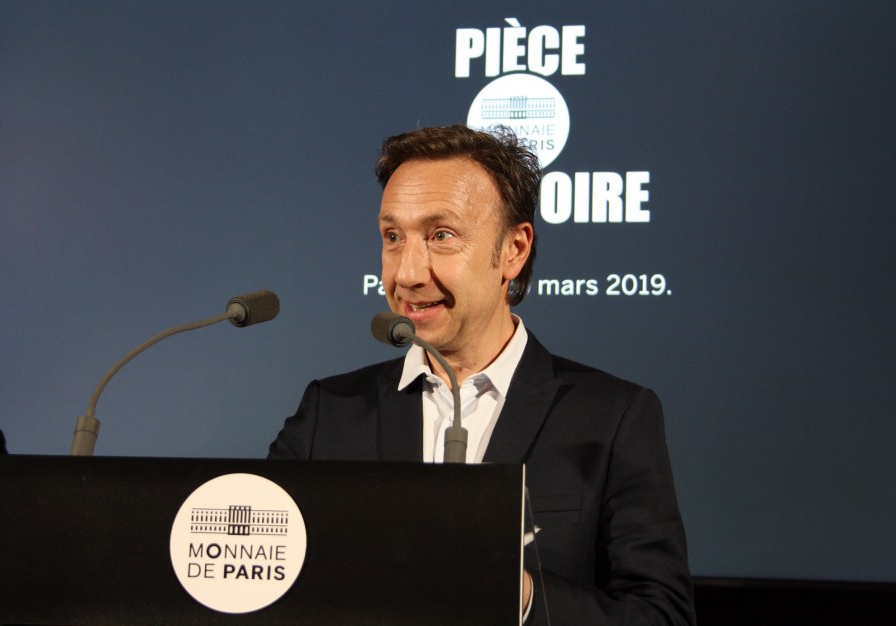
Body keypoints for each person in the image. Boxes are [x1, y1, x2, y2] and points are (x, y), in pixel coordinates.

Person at [269, 125, 695, 624]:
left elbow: (662, 615)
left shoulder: (613, 418)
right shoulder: (329, 413)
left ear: (513, 250)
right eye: (392, 237)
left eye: (441, 236)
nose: (407, 273)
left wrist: (518, 592)